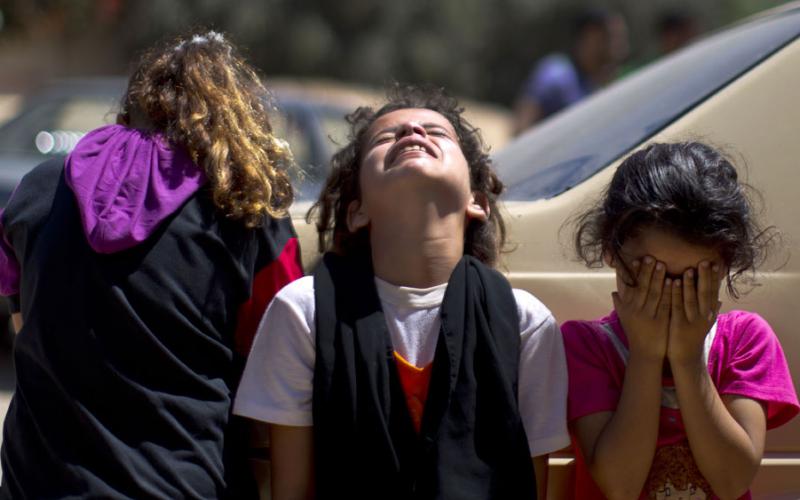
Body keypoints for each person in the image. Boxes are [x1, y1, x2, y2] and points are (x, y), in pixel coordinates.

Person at [0, 30, 303, 498]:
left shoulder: (40, 188)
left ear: (136, 101)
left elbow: (23, 323)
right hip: (179, 480)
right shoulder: (245, 207)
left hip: (39, 481)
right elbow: (280, 359)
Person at [233, 85, 569, 499]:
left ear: (476, 201)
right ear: (356, 211)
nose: (412, 132)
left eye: (436, 132)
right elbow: (293, 491)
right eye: (385, 138)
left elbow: (531, 487)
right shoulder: (304, 312)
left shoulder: (523, 323)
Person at [561, 142, 799, 499]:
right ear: (611, 250)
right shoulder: (585, 346)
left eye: (692, 278)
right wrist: (645, 354)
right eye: (651, 273)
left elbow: (733, 481)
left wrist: (688, 359)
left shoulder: (745, 340)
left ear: (724, 265)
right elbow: (619, 486)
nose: (670, 294)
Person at [513, 10, 629, 134]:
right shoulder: (557, 75)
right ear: (591, 37)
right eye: (612, 37)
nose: (621, 48)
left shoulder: (599, 83)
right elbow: (523, 126)